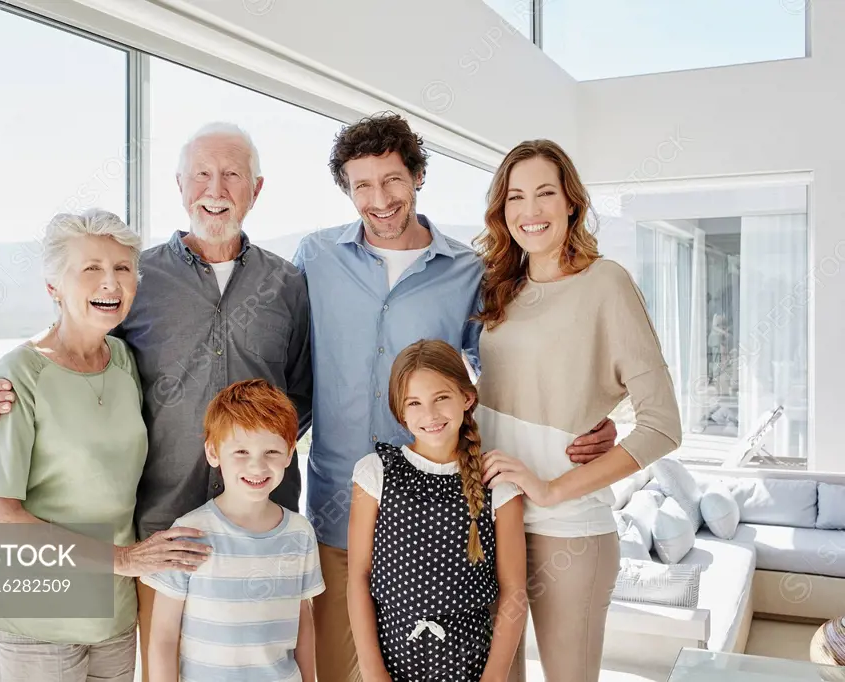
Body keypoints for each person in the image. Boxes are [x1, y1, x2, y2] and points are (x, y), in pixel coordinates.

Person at [0, 122, 312, 680]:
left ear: (256, 189)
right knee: (164, 663)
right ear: (179, 185)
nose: (214, 188)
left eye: (232, 174)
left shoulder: (288, 284)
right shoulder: (142, 280)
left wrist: (254, 466)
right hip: (159, 533)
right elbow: (70, 341)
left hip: (261, 523)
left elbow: (298, 396)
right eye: (201, 174)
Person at [292, 111, 617, 682]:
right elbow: (290, 366)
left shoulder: (473, 270)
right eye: (362, 184)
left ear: (417, 176)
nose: (380, 198)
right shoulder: (314, 258)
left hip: (455, 523)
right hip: (341, 513)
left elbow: (508, 373)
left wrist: (587, 420)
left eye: (393, 179)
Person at [0, 209, 213, 682]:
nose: (110, 283)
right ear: (53, 287)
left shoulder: (123, 360)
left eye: (121, 269)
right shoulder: (18, 373)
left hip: (111, 618)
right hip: (32, 622)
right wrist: (124, 559)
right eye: (90, 269)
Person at [473, 140, 683, 682]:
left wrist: (552, 488)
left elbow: (662, 425)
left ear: (572, 201)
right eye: (516, 197)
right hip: (495, 521)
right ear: (502, 211)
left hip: (568, 529)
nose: (531, 210)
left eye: (546, 193)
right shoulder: (500, 288)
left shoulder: (606, 283)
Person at [347, 340, 526, 682]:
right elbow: (358, 576)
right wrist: (372, 672)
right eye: (414, 403)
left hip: (469, 665)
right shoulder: (375, 472)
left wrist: (494, 677)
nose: (429, 415)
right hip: (391, 660)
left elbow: (514, 589)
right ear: (400, 412)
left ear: (467, 397)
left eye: (441, 398)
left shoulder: (497, 483)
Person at [143, 379, 324, 682]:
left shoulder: (301, 533)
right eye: (241, 451)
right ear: (213, 452)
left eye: (271, 452)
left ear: (290, 454)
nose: (257, 467)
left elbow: (303, 623)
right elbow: (162, 637)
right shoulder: (188, 533)